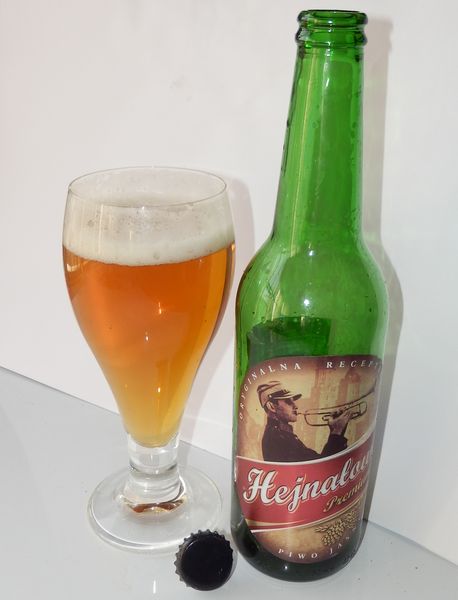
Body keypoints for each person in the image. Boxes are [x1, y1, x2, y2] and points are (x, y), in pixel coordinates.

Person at [258, 381, 351, 462]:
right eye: (288, 402)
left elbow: (318, 461)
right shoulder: (278, 438)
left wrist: (335, 431)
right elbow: (322, 467)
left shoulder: (281, 434)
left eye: (293, 401)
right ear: (272, 407)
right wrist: (337, 431)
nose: (296, 406)